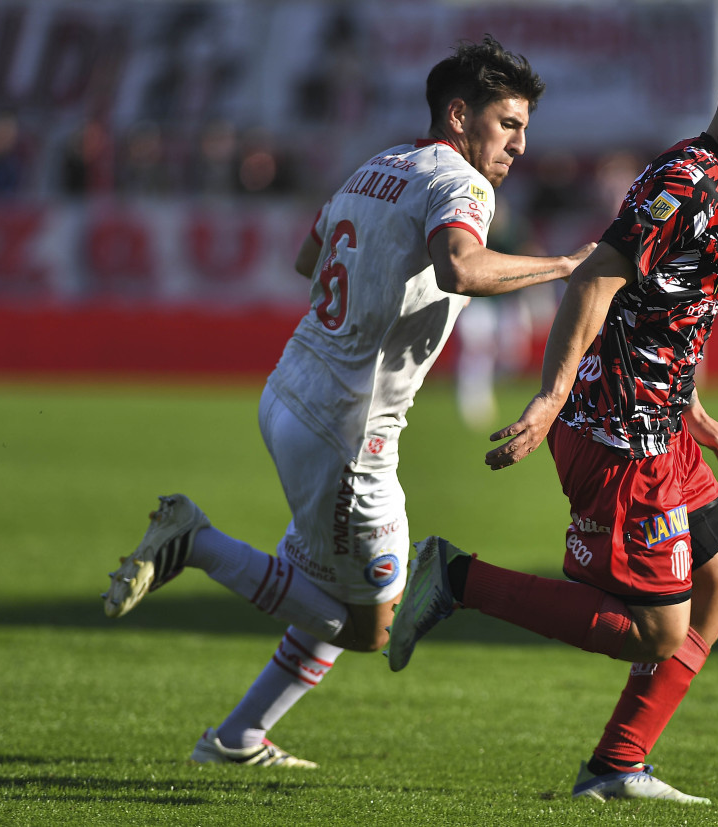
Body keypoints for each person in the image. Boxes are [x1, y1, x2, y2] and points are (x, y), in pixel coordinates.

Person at [102, 35, 592, 768]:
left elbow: (309, 259)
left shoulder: (377, 165)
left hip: (290, 391)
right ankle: (195, 540)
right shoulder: (463, 183)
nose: (521, 144)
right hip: (346, 432)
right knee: (369, 626)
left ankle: (238, 737)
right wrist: (563, 265)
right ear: (460, 115)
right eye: (509, 123)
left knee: (331, 588)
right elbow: (460, 267)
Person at [388, 36, 718, 804]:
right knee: (659, 628)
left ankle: (618, 765)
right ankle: (456, 577)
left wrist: (697, 413)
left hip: (662, 423)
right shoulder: (686, 182)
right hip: (617, 429)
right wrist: (550, 399)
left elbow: (663, 313)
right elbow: (596, 282)